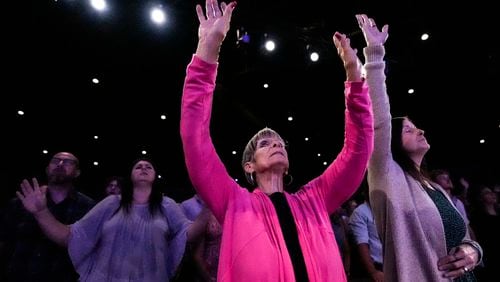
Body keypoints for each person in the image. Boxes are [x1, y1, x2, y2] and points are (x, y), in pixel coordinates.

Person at [179, 1, 374, 280]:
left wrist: (355, 79)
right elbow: (193, 135)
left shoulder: (316, 199)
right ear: (249, 166)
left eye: (280, 142)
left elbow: (358, 151)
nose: (276, 144)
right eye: (264, 143)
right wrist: (208, 50)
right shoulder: (232, 201)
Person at [356, 13, 483, 281]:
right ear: (393, 143)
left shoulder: (435, 188)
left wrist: (473, 252)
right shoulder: (387, 175)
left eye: (417, 127)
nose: (420, 131)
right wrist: (375, 55)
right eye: (409, 130)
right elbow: (379, 123)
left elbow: (463, 237)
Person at [16, 157, 209, 282]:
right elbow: (70, 236)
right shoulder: (110, 203)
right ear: (130, 175)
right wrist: (41, 212)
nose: (143, 167)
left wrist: (210, 204)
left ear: (155, 176)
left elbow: (189, 234)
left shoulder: (167, 205)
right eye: (138, 166)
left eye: (148, 166)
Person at [0, 152, 95, 282]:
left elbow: (83, 247)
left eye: (68, 162)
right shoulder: (21, 202)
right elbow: (5, 241)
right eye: (55, 161)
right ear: (47, 169)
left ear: (77, 172)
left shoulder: (88, 207)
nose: (60, 164)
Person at [348, 190, 383, 282]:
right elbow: (362, 244)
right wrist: (373, 272)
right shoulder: (360, 212)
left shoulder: (384, 210)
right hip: (372, 269)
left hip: (388, 266)